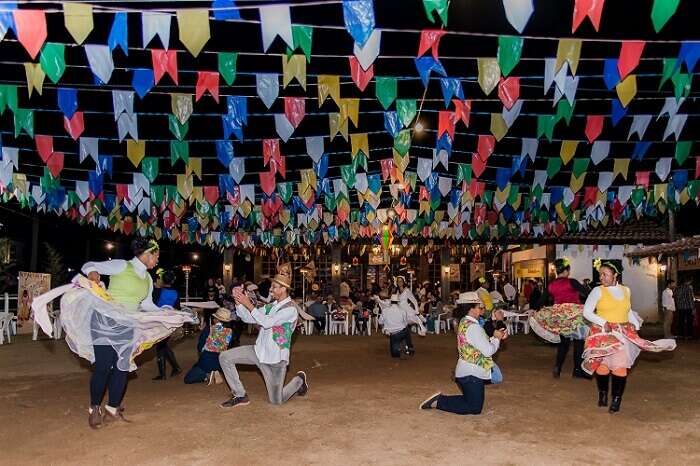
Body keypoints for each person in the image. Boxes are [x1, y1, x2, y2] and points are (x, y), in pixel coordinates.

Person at [582, 260, 676, 413]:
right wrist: (603, 321)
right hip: (603, 334)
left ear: (615, 275)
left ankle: (617, 399)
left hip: (622, 333)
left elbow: (628, 310)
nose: (602, 278)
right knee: (603, 366)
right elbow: (587, 312)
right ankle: (603, 394)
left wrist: (635, 324)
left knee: (620, 367)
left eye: (605, 274)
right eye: (600, 275)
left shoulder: (626, 290)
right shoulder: (597, 291)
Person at [219, 263, 308, 408]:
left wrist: (249, 304)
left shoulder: (291, 309)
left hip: (275, 360)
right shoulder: (271, 306)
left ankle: (299, 381)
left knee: (276, 401)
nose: (271, 289)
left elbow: (266, 323)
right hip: (258, 351)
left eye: (274, 287)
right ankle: (240, 395)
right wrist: (239, 303)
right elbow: (250, 318)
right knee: (224, 357)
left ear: (284, 289)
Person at [419, 292, 507, 415]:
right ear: (471, 309)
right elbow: (488, 351)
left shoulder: (465, 322)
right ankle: (439, 401)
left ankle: (441, 400)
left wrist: (495, 336)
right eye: (479, 307)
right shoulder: (473, 327)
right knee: (474, 407)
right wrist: (496, 338)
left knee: (473, 404)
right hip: (471, 374)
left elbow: (482, 344)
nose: (481, 309)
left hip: (468, 372)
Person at [530, 258, 590, 379]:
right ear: (567, 271)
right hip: (574, 316)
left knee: (563, 344)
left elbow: (541, 300)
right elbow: (587, 292)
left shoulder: (551, 285)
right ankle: (577, 370)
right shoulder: (572, 282)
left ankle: (557, 367)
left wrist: (533, 309)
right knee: (579, 343)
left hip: (560, 316)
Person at [184, 307, 234, 384]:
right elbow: (228, 346)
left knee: (188, 379)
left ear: (217, 319)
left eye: (215, 318)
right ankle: (215, 371)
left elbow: (200, 346)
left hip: (207, 360)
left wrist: (202, 353)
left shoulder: (209, 329)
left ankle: (208, 375)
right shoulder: (230, 331)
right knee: (196, 366)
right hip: (221, 361)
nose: (213, 319)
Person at [152, 269, 182, 380]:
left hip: (159, 321)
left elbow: (152, 306)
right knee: (163, 346)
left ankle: (163, 373)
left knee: (160, 346)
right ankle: (174, 368)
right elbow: (178, 308)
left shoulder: (158, 292)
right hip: (170, 322)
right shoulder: (175, 292)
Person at [377, 294, 414, 358]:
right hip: (402, 332)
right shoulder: (402, 311)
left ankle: (402, 347)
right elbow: (405, 323)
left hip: (392, 334)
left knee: (395, 355)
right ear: (398, 302)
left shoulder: (385, 311)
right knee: (407, 330)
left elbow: (380, 322)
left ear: (391, 302)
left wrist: (385, 327)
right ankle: (409, 346)